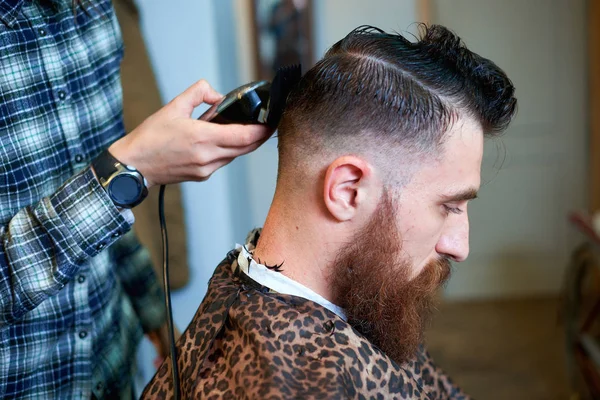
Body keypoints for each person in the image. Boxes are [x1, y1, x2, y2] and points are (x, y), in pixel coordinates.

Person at [142, 24, 517, 399]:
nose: (460, 246)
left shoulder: (360, 293)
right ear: (347, 190)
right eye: (448, 206)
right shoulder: (294, 384)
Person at [0, 0, 272, 398]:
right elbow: (103, 184)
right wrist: (125, 170)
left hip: (115, 367)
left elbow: (101, 220)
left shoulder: (93, 12)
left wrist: (155, 314)